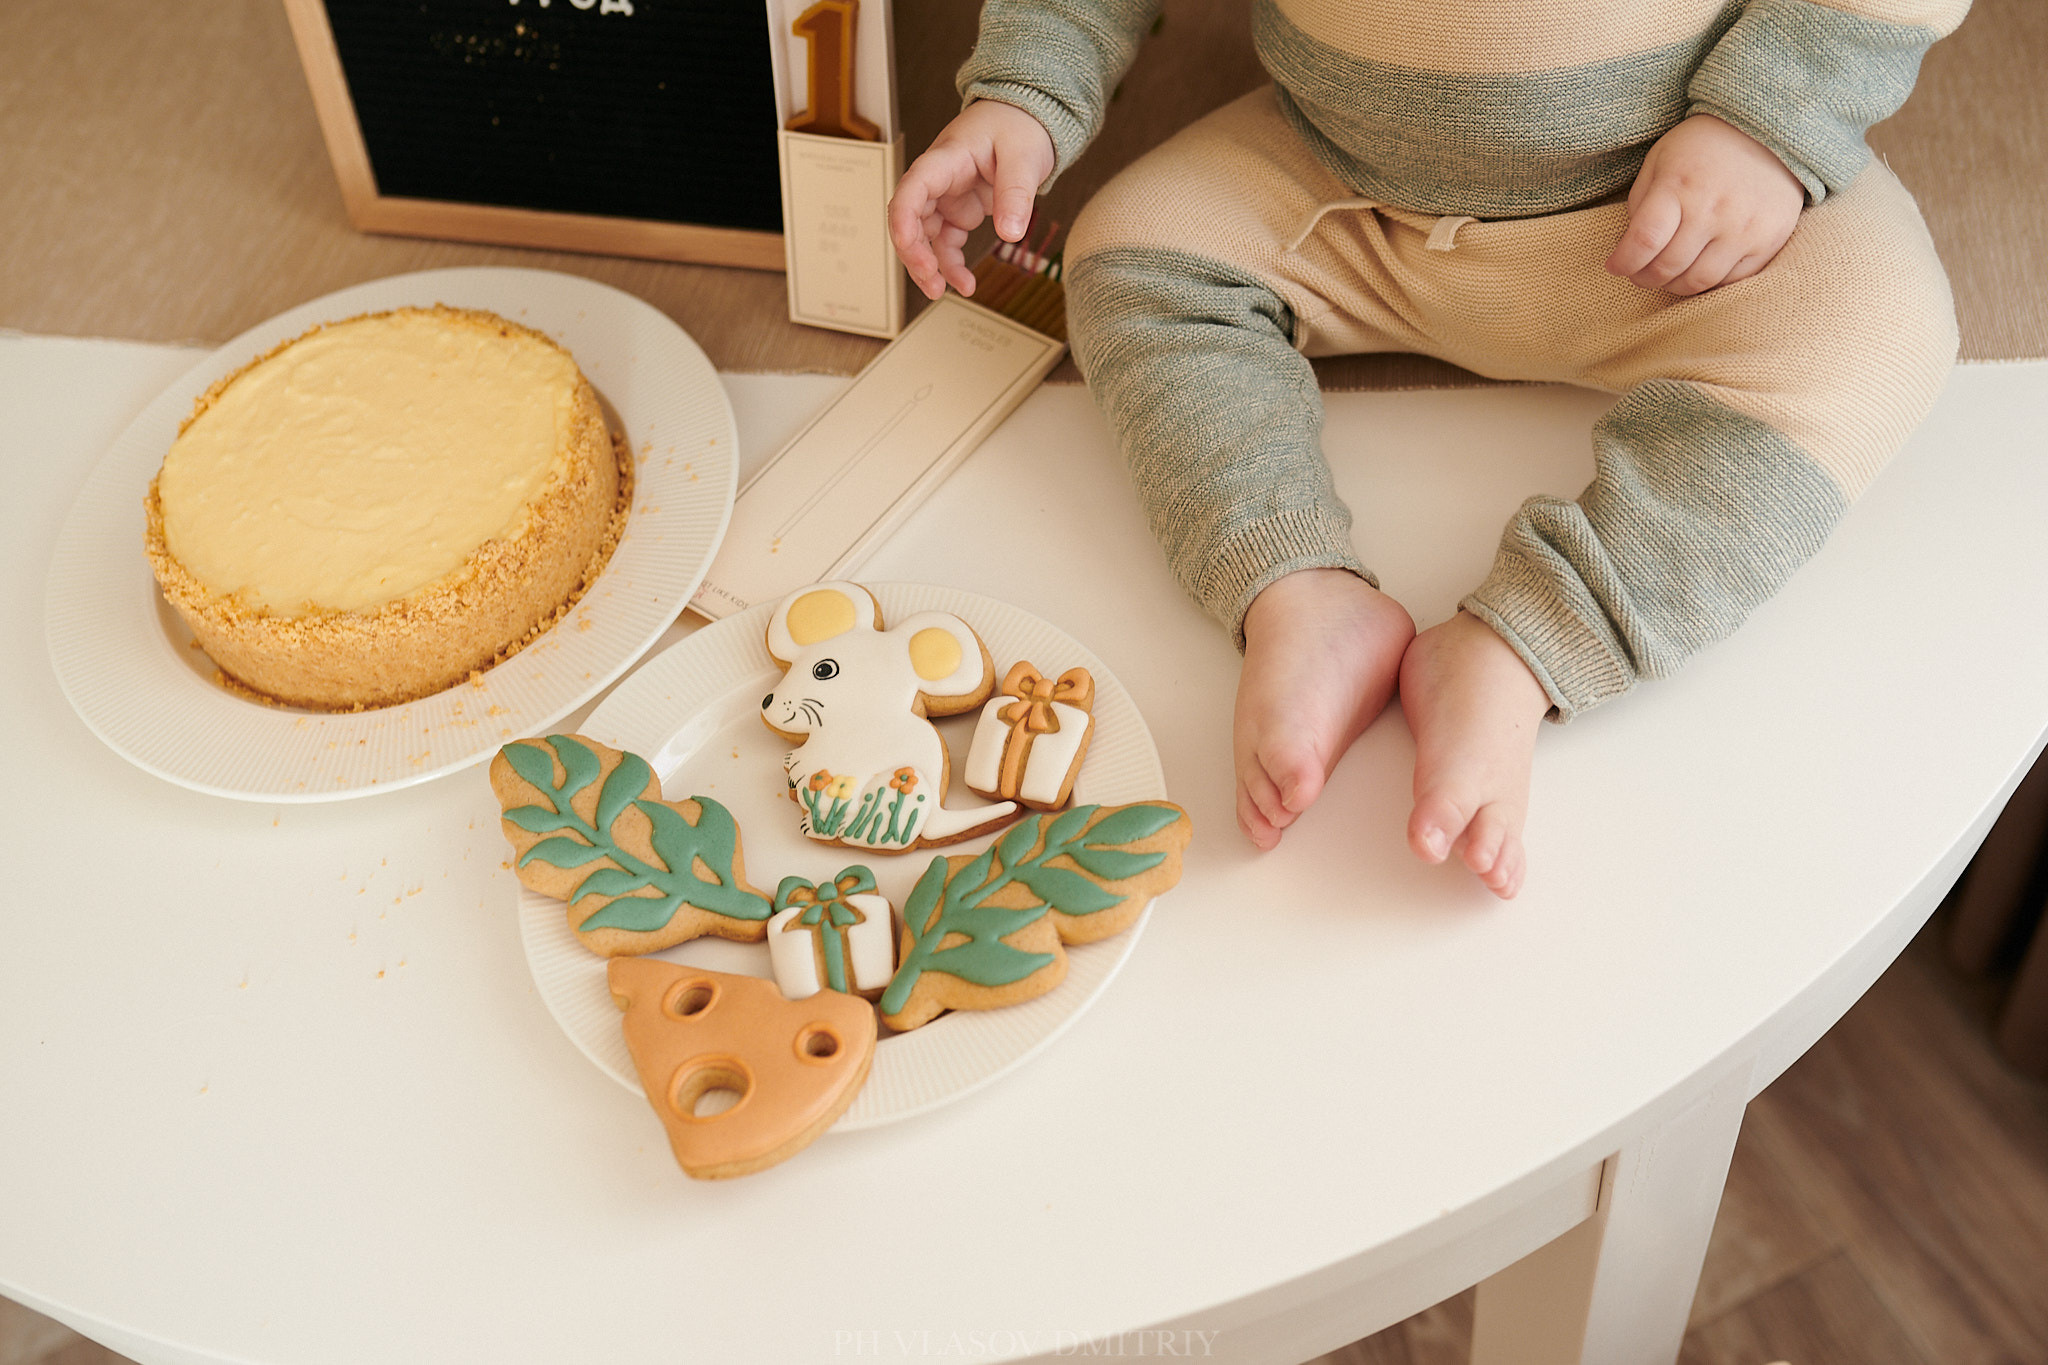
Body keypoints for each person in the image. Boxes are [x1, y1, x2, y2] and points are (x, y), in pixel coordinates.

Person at [887, 0, 1968, 898]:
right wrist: (1022, 96)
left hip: (1675, 219)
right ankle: (1298, 592)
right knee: (1126, 254)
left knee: (1877, 326)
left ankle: (1527, 643)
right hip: (1340, 200)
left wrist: (1767, 126)